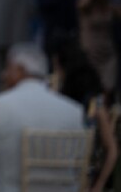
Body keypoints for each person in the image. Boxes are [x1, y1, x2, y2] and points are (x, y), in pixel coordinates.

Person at [0, 43, 83, 192]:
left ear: (19, 70)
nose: (3, 75)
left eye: (8, 68)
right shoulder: (74, 112)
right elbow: (78, 170)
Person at [53, 39, 118, 192]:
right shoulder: (91, 101)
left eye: (56, 67)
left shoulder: (94, 105)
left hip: (78, 177)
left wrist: (98, 185)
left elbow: (112, 150)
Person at [76, 0, 117, 93]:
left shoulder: (110, 7)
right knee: (91, 86)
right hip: (90, 51)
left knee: (108, 85)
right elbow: (83, 3)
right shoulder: (86, 7)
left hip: (107, 52)